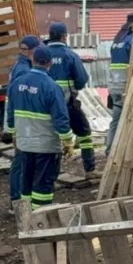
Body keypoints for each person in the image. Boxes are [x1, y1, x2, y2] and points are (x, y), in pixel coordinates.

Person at [6, 46, 74, 207]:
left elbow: (10, 114)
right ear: (50, 63)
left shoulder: (17, 84)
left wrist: (14, 134)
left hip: (24, 143)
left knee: (27, 184)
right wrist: (68, 141)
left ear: (33, 60)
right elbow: (60, 118)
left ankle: (26, 217)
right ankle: (40, 219)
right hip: (46, 146)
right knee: (43, 186)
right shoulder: (51, 86)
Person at [45, 23, 96, 176]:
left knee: (51, 139)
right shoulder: (70, 55)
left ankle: (53, 173)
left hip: (45, 106)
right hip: (68, 104)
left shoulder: (41, 54)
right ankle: (90, 169)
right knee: (84, 133)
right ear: (64, 36)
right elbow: (81, 80)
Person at [7, 36, 41, 204]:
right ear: (31, 51)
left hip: (20, 120)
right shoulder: (24, 70)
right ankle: (17, 199)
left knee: (22, 158)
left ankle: (18, 197)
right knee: (21, 160)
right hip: (23, 122)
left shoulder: (20, 66)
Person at [104, 14, 133, 154]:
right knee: (130, 120)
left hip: (114, 86)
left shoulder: (117, 41)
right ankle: (125, 150)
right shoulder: (132, 40)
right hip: (127, 86)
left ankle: (110, 149)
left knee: (116, 119)